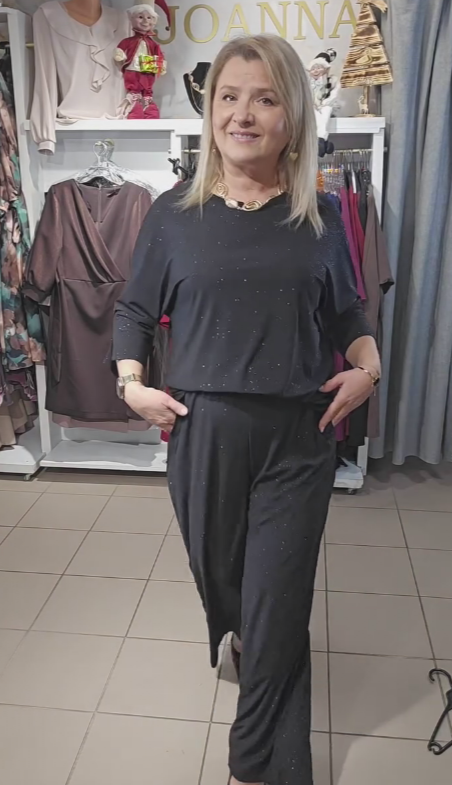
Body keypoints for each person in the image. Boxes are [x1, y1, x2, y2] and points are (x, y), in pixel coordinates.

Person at [113, 34, 381, 785]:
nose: (243, 113)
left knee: (277, 608)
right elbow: (134, 311)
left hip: (298, 437)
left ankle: (256, 766)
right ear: (210, 114)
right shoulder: (172, 215)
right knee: (228, 591)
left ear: (291, 117)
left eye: (264, 99)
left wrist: (369, 368)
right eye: (228, 97)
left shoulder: (321, 216)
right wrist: (130, 383)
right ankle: (246, 645)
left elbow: (348, 313)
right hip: (203, 436)